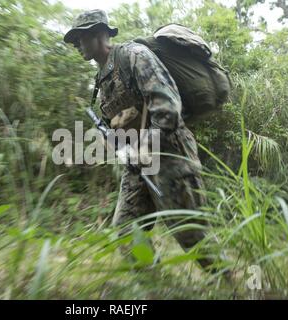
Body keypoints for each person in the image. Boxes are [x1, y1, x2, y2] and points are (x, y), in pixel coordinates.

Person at [64, 9, 214, 269]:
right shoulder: (101, 79)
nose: (77, 44)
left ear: (100, 33)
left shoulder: (134, 56)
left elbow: (167, 107)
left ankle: (232, 283)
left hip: (170, 154)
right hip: (137, 164)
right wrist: (116, 142)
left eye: (80, 37)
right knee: (126, 230)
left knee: (191, 233)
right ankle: (151, 286)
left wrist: (144, 147)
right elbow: (123, 122)